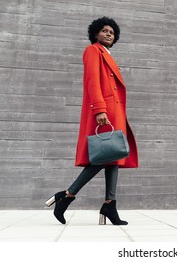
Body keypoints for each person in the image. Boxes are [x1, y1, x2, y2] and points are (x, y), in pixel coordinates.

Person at [45, 16, 138, 225]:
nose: (108, 34)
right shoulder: (92, 51)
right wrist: (99, 109)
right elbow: (92, 82)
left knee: (114, 156)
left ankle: (110, 204)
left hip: (115, 112)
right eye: (104, 30)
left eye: (112, 32)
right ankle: (68, 194)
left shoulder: (107, 54)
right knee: (104, 156)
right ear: (95, 33)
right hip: (105, 111)